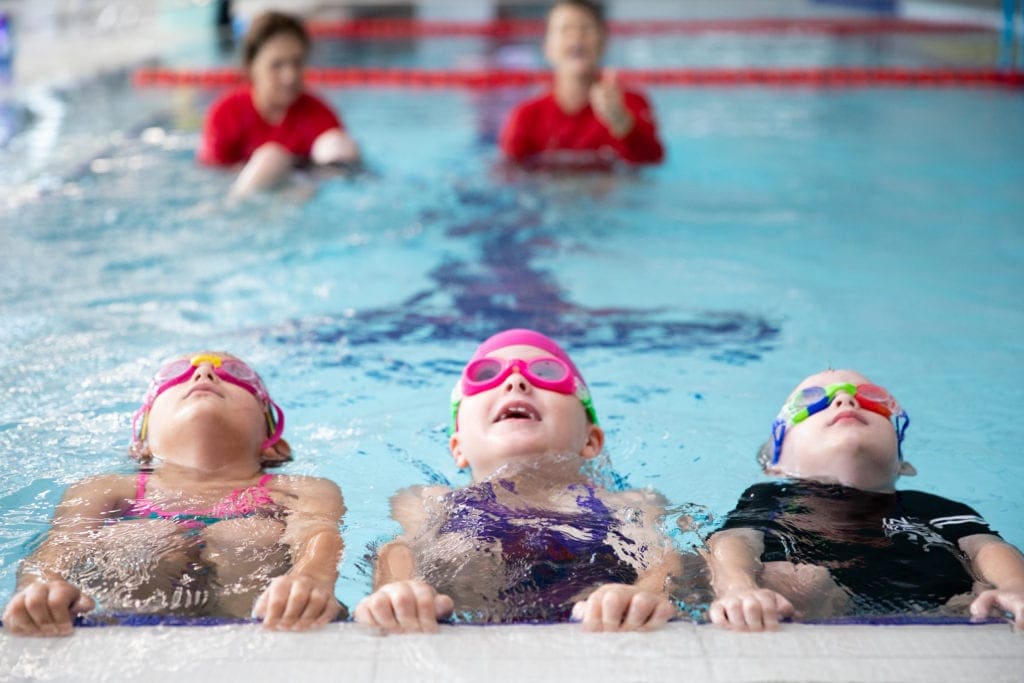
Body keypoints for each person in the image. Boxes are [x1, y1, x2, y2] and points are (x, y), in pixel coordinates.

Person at [354, 329, 678, 633]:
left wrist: (646, 594)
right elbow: (400, 551)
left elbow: (662, 563)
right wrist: (395, 590)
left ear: (590, 441)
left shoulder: (629, 504)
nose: (516, 381)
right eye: (486, 375)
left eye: (547, 373)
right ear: (458, 448)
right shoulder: (428, 500)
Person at [1, 352, 345, 636]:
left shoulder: (302, 488)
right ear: (141, 445)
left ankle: (259, 632)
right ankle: (130, 633)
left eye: (234, 374)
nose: (205, 373)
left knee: (246, 533)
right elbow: (59, 548)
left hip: (258, 615)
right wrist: (41, 588)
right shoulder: (104, 488)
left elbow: (318, 537)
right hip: (131, 623)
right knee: (137, 536)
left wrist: (310, 581)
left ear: (275, 447)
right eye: (178, 375)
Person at [706, 369, 1024, 631]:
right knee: (791, 580)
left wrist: (1014, 585)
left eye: (872, 399)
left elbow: (986, 547)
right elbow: (735, 541)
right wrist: (738, 587)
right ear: (775, 463)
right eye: (811, 400)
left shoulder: (934, 508)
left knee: (983, 595)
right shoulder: (771, 497)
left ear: (902, 464)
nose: (845, 400)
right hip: (812, 599)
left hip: (939, 603)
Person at [197, 10, 360, 200]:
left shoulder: (320, 115)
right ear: (252, 66)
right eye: (277, 65)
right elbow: (210, 178)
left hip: (304, 195)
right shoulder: (226, 114)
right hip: (244, 198)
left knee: (339, 145)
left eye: (297, 63)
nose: (290, 76)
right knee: (271, 158)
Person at [499, 0, 664, 168]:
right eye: (565, 29)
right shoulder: (527, 117)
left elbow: (653, 160)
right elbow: (508, 174)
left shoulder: (630, 105)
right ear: (547, 47)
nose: (577, 37)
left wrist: (620, 121)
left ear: (604, 42)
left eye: (586, 28)